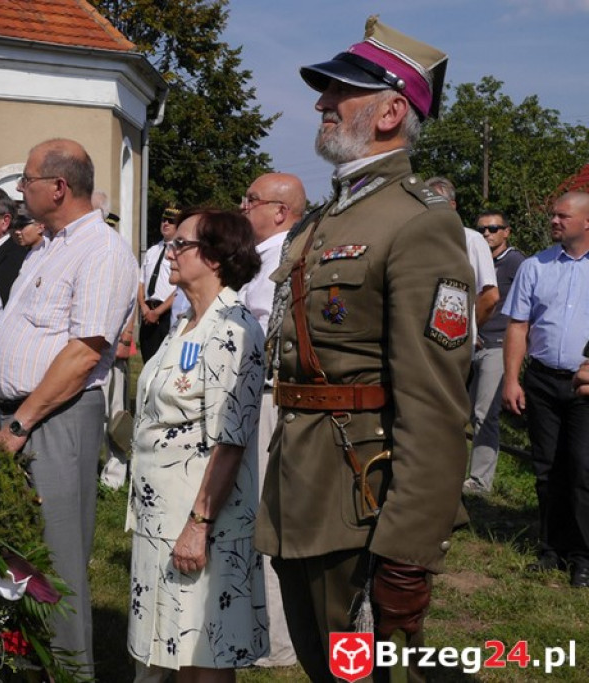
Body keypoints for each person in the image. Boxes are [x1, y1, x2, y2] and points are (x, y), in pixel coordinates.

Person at [253, 17, 473, 682]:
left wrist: (409, 550)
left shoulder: (418, 223)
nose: (322, 103)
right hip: (301, 483)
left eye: (340, 91)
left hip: (361, 498)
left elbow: (435, 405)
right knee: (325, 666)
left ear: (390, 112)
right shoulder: (330, 217)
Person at [0, 138, 138, 677]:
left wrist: (20, 422)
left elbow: (83, 353)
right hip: (15, 414)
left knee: (56, 557)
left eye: (26, 180)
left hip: (54, 417)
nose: (20, 190)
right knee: (13, 547)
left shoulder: (101, 250)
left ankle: (69, 671)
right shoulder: (46, 246)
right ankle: (25, 664)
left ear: (59, 187)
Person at [126, 208, 267, 682]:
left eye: (181, 244)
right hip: (163, 513)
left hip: (201, 516)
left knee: (204, 648)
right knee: (177, 644)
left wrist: (198, 524)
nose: (170, 252)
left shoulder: (232, 328)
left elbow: (231, 439)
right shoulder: (187, 321)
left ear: (214, 257)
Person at [501, 191, 589, 588]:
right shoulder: (535, 266)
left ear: (586, 222)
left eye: (562, 216)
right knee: (547, 468)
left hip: (584, 385)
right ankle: (551, 549)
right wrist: (511, 379)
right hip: (542, 381)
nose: (554, 220)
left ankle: (583, 556)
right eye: (553, 214)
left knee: (582, 469)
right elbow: (518, 325)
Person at [237, 172, 306, 669]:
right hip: (252, 397)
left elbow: (268, 335)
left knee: (263, 516)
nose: (242, 206)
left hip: (268, 398)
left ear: (280, 212)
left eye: (251, 199)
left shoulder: (287, 259)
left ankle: (275, 639)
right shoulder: (261, 258)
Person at [463, 209, 525, 495]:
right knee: (462, 412)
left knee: (484, 413)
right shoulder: (476, 258)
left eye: (493, 228)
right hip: (473, 343)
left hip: (499, 344)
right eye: (482, 229)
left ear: (506, 232)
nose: (486, 233)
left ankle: (479, 480)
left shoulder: (515, 262)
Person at [426, 176, 499, 328]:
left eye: (435, 202)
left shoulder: (472, 240)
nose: (429, 208)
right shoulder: (416, 241)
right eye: (424, 202)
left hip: (454, 335)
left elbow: (490, 297)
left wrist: (469, 329)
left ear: (452, 205)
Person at [137, 208, 179, 361]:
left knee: (165, 360)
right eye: (163, 220)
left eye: (171, 221)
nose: (166, 223)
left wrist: (158, 312)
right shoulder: (152, 251)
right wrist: (144, 307)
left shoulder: (179, 252)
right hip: (147, 312)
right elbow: (140, 283)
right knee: (147, 360)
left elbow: (179, 289)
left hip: (167, 314)